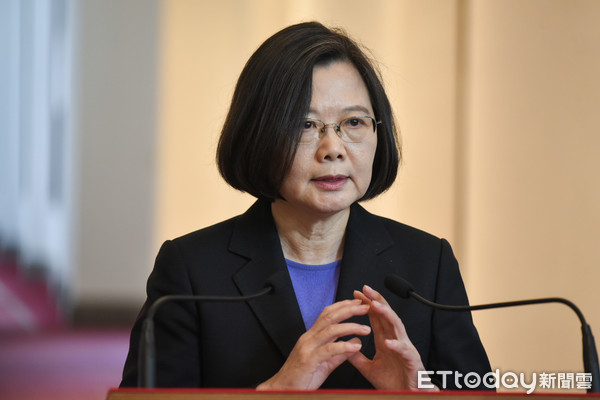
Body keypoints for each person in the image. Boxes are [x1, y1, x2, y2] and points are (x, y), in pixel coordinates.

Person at [120, 21, 492, 390]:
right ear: (259, 134)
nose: (333, 149)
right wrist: (274, 392)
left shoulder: (427, 266)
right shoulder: (192, 271)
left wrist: (421, 394)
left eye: (354, 122)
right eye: (305, 125)